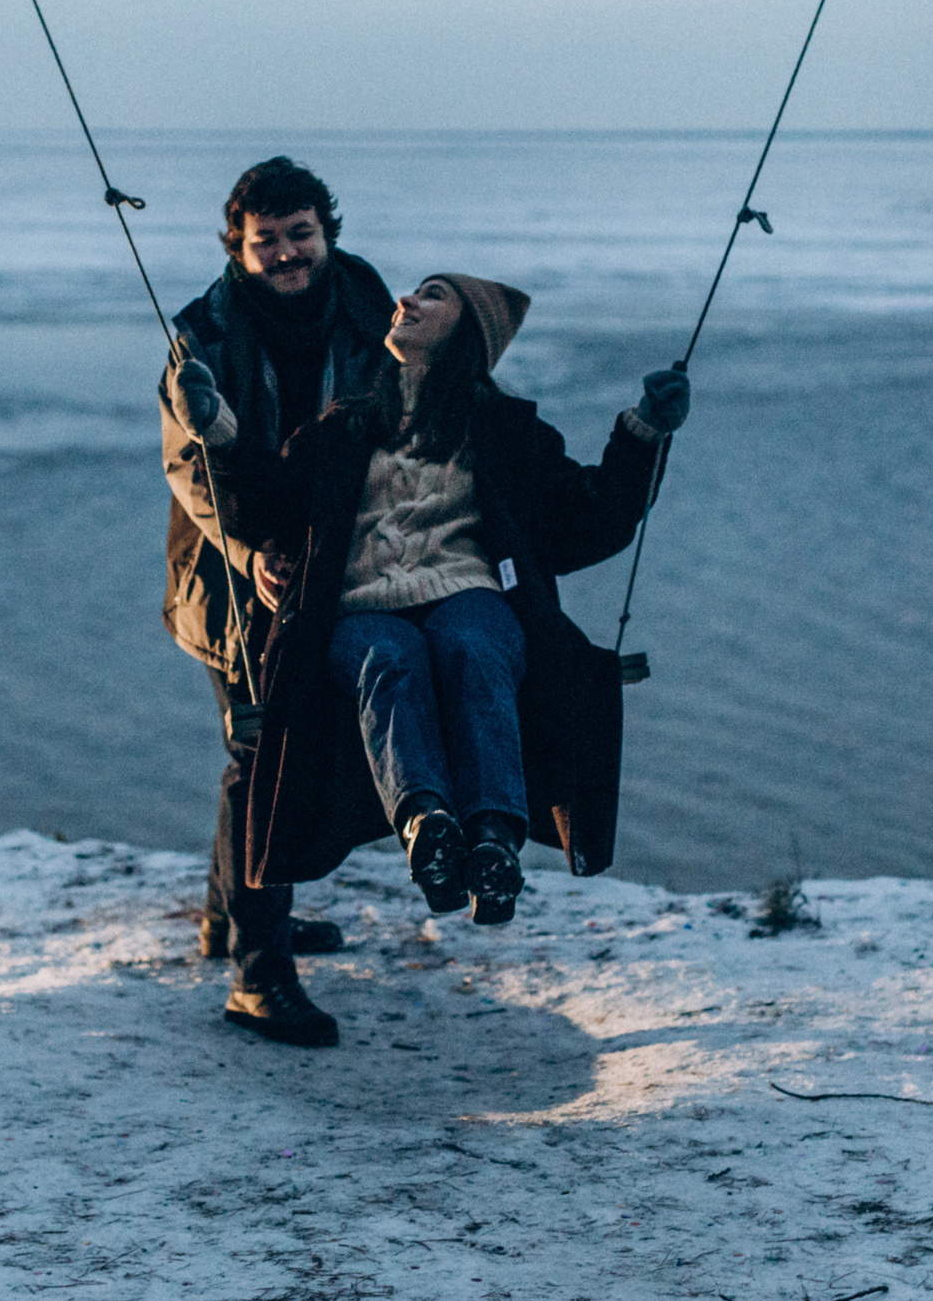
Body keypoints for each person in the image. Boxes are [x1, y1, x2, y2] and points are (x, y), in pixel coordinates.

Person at [176, 273, 689, 974]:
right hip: (360, 605)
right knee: (388, 654)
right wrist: (219, 431)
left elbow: (590, 517)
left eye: (433, 296)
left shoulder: (507, 432)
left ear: (468, 332)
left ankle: (491, 841)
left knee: (471, 643)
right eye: (414, 291)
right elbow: (265, 505)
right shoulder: (344, 425)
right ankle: (429, 830)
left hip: (470, 592)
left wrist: (643, 433)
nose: (406, 302)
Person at [159, 156, 394, 1048]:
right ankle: (259, 977)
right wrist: (250, 549)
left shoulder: (372, 309)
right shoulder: (202, 335)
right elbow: (190, 466)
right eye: (267, 242)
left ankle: (233, 917)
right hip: (228, 573)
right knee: (258, 748)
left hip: (327, 565)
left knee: (269, 743)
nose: (288, 254)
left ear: (326, 232)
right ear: (239, 248)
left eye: (301, 234)